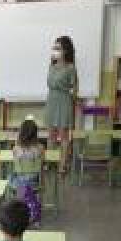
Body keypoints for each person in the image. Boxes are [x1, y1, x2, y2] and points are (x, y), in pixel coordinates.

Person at [45, 35, 78, 175]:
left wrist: (70, 97)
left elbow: (75, 88)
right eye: (54, 47)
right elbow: (49, 83)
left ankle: (62, 164)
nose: (55, 50)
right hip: (51, 100)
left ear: (65, 50)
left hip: (64, 102)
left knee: (63, 136)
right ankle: (50, 162)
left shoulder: (71, 68)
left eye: (58, 48)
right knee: (51, 135)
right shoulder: (51, 66)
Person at [9, 119, 44, 226]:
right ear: (35, 134)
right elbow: (41, 167)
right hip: (34, 182)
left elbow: (15, 168)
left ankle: (21, 204)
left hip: (18, 183)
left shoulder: (16, 148)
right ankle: (33, 208)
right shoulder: (40, 148)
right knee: (30, 180)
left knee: (12, 176)